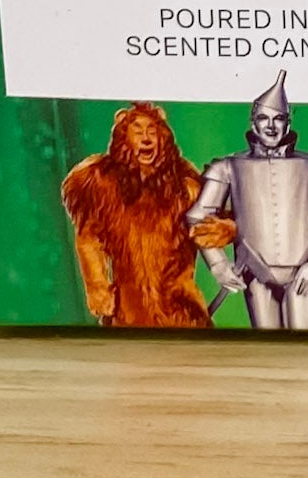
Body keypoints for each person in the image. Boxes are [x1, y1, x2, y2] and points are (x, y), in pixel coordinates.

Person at [182, 70, 308, 331]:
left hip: (303, 273)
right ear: (253, 122)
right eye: (263, 118)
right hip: (255, 273)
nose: (271, 126)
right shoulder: (227, 167)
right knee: (266, 344)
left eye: (278, 119)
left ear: (288, 123)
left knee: (306, 344)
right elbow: (197, 217)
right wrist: (218, 265)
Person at [61, 101, 235, 329]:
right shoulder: (103, 184)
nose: (146, 139)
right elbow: (89, 238)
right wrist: (97, 286)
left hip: (183, 314)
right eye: (138, 131)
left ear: (163, 138)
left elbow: (212, 218)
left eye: (152, 131)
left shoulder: (184, 183)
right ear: (124, 138)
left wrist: (227, 229)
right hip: (129, 314)